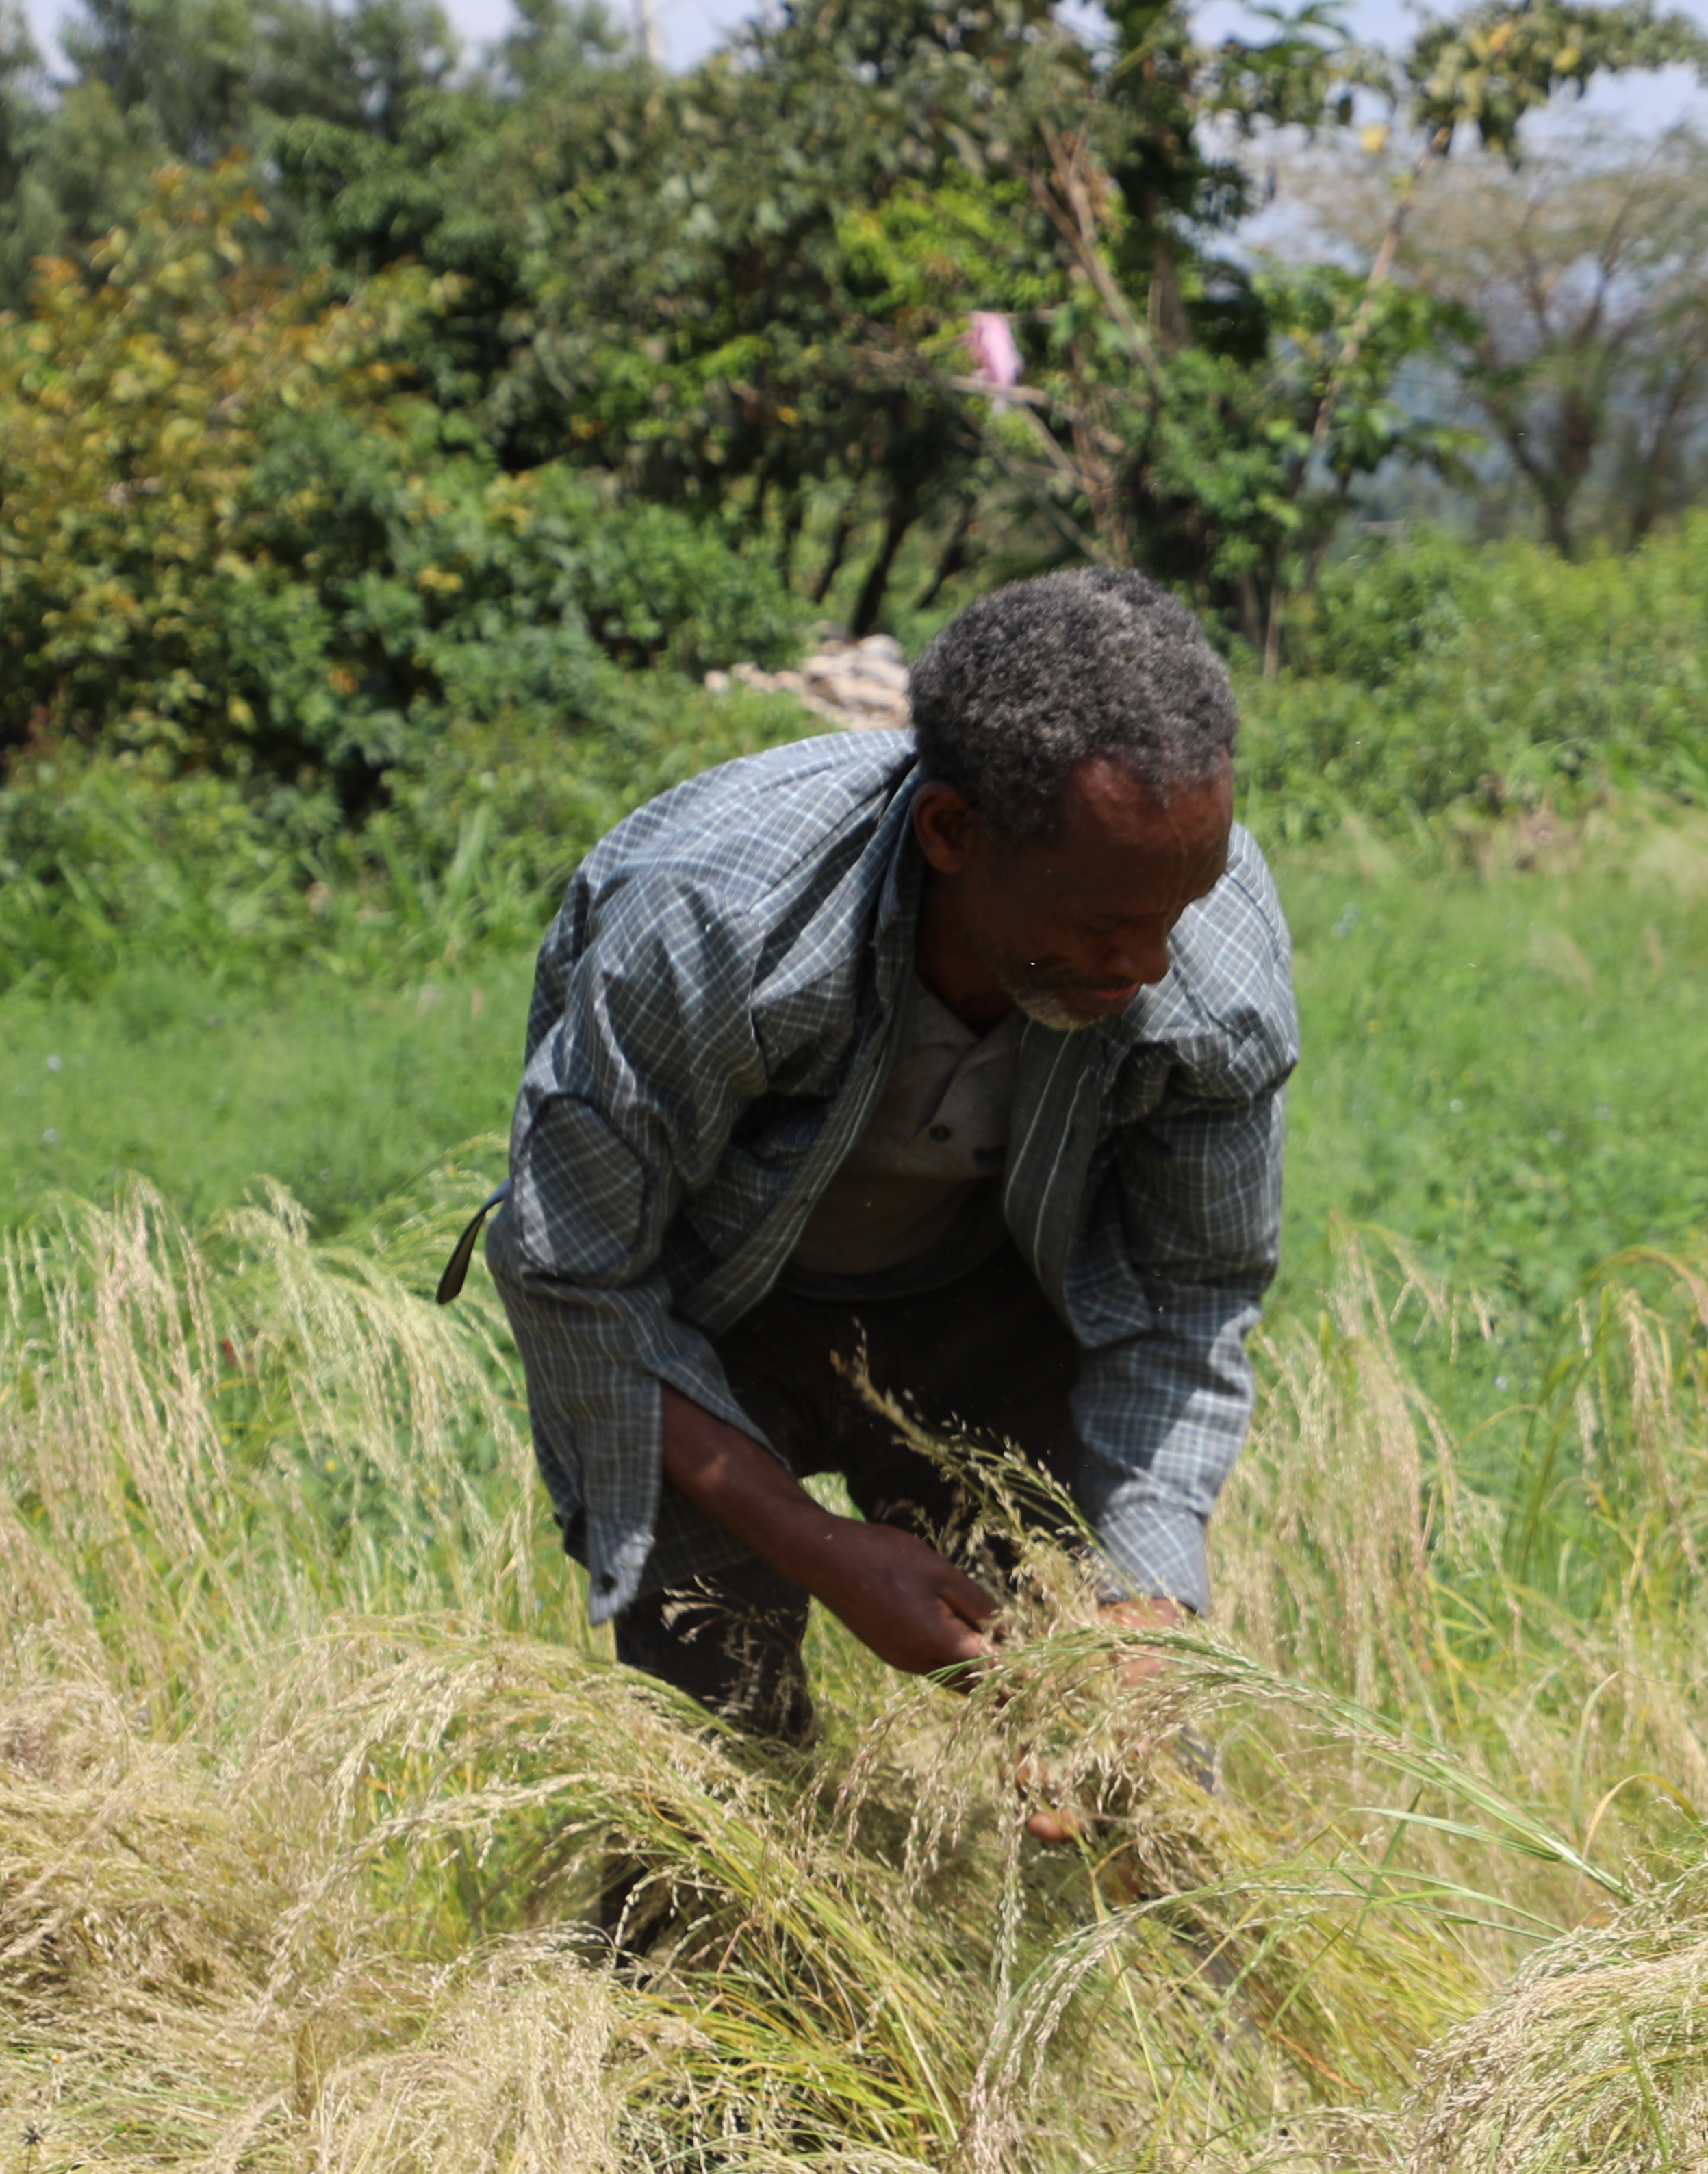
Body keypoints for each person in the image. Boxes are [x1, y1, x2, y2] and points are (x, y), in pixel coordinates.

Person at [457, 569, 1296, 1758]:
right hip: (710, 1333)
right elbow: (578, 1278)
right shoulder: (713, 925)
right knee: (723, 1775)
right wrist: (821, 1546)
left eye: (1181, 906)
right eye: (1107, 924)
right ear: (952, 832)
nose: (1153, 963)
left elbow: (1187, 1302)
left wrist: (1148, 1614)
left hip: (994, 1314)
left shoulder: (1200, 942)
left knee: (1126, 1755)